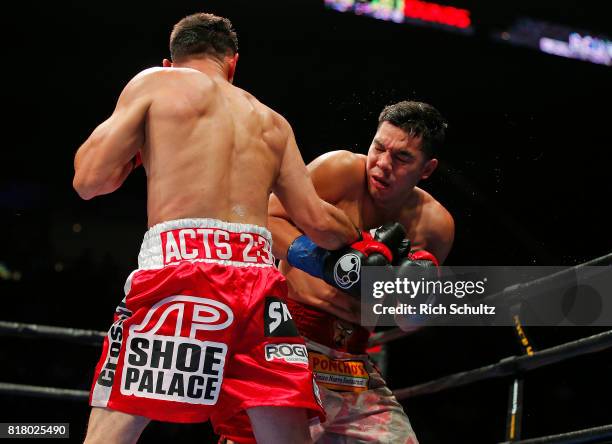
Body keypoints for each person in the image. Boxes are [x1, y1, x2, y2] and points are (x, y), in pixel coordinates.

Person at [73, 12, 391, 444]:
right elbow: (316, 221)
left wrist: (134, 158)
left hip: (181, 274)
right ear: (233, 63)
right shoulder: (272, 121)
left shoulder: (156, 83)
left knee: (114, 431)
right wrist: (369, 246)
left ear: (172, 62)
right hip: (260, 287)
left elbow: (89, 182)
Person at [268, 101, 455, 443]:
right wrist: (323, 262)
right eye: (379, 148)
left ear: (426, 169)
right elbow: (266, 218)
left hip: (352, 361)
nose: (382, 165)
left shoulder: (435, 225)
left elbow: (407, 321)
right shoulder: (338, 170)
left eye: (401, 159)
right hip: (289, 341)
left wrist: (417, 296)